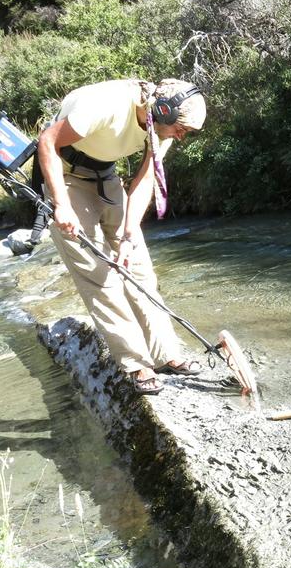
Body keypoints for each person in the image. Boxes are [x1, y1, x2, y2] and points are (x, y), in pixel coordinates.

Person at [37, 78, 206, 395]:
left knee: (139, 266)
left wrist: (129, 234)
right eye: (182, 129)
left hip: (106, 176)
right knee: (100, 276)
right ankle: (135, 363)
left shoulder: (161, 126)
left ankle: (166, 353)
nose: (183, 137)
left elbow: (144, 181)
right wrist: (61, 204)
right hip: (67, 176)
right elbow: (47, 141)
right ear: (162, 110)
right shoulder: (106, 105)